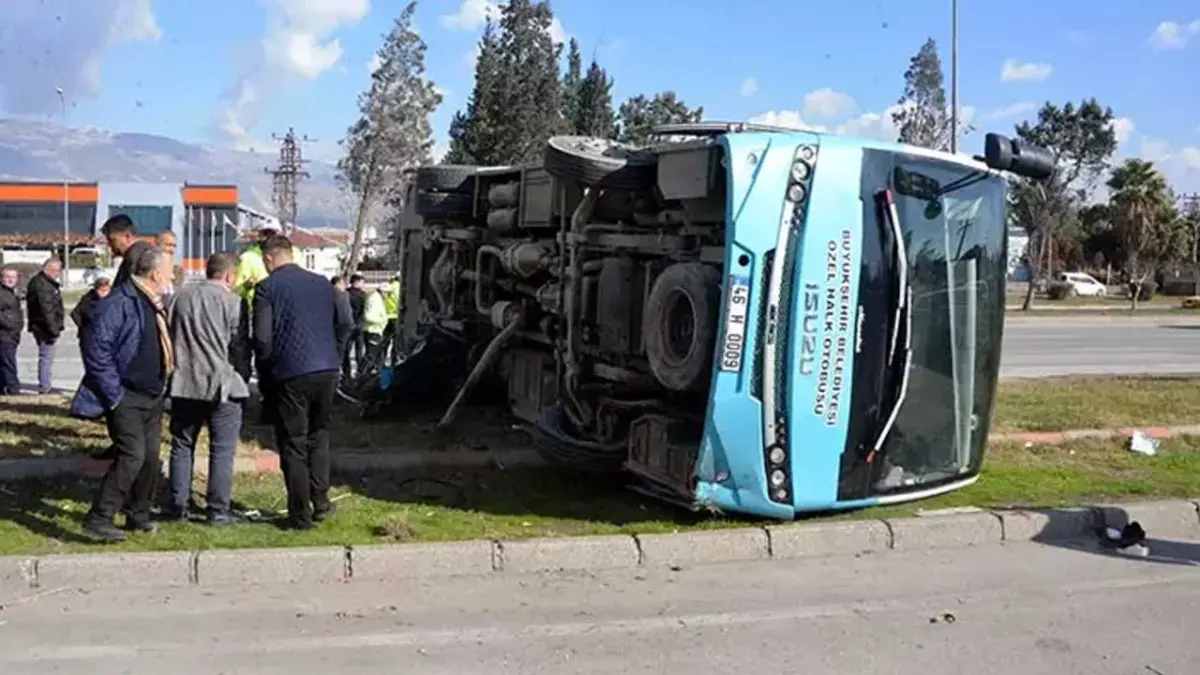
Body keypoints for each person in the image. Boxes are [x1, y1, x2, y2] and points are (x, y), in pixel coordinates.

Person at [72, 247, 175, 542]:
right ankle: (99, 518)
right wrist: (114, 394)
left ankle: (138, 514)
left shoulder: (151, 301)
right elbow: (97, 351)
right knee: (132, 455)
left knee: (150, 458)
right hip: (126, 395)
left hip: (152, 393)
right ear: (155, 273)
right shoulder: (119, 302)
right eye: (168, 272)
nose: (171, 277)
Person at [253, 234, 352, 530]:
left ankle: (299, 514)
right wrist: (336, 353)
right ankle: (321, 501)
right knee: (319, 435)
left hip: (290, 372)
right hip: (327, 368)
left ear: (268, 258)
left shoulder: (267, 288)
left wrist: (266, 371)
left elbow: (262, 338)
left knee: (293, 443)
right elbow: (345, 322)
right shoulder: (323, 284)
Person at [165, 252, 251, 525]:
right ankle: (218, 509)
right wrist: (243, 376)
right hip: (221, 382)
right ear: (230, 276)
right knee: (222, 449)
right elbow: (239, 345)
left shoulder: (179, 297)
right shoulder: (233, 302)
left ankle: (178, 505)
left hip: (184, 381)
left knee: (182, 445)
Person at [25, 258, 65, 395]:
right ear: (49, 269)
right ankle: (45, 386)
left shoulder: (41, 282)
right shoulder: (42, 285)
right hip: (44, 327)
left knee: (46, 355)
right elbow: (46, 309)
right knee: (46, 356)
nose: (58, 274)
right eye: (57, 270)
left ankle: (45, 384)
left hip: (41, 325)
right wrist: (53, 329)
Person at [102, 214, 150, 287]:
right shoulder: (137, 253)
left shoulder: (136, 256)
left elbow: (131, 290)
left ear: (127, 236)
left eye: (112, 240)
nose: (109, 244)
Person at [69, 277, 112, 346]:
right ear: (96, 289)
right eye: (101, 290)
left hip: (107, 337)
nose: (104, 293)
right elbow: (75, 313)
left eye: (106, 290)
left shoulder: (113, 300)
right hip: (90, 338)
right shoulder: (88, 299)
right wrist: (85, 327)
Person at [0, 267, 22, 395]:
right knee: (9, 362)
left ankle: (3, 388)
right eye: (7, 277)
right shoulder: (2, 294)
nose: (10, 280)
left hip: (12, 334)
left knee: (4, 362)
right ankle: (14, 389)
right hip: (5, 334)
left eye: (13, 277)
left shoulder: (12, 293)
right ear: (1, 278)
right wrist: (9, 325)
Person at [360, 283, 389, 374]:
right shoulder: (374, 300)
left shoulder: (377, 299)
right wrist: (382, 320)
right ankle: (361, 373)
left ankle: (374, 373)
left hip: (376, 330)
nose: (388, 295)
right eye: (387, 293)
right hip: (373, 331)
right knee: (370, 355)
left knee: (377, 355)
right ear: (383, 292)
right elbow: (368, 316)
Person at [345, 274, 367, 377]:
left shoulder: (346, 294)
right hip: (359, 325)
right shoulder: (363, 295)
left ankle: (347, 373)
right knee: (359, 351)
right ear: (357, 282)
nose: (363, 285)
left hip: (348, 324)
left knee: (347, 350)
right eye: (362, 282)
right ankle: (360, 372)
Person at [380, 274, 401, 365]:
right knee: (396, 341)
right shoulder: (399, 287)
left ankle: (381, 361)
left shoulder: (388, 287)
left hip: (386, 317)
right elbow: (398, 301)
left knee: (385, 341)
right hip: (395, 317)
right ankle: (394, 360)